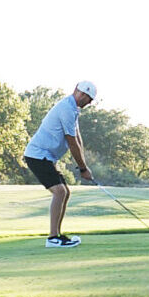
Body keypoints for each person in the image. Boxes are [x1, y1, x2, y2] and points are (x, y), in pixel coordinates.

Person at [22, 80, 98, 247]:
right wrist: (83, 168)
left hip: (45, 157)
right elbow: (71, 142)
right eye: (89, 99)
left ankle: (57, 235)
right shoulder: (66, 109)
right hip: (37, 155)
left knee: (65, 192)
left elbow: (78, 138)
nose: (90, 103)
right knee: (60, 192)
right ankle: (52, 238)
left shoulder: (73, 109)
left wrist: (84, 166)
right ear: (81, 94)